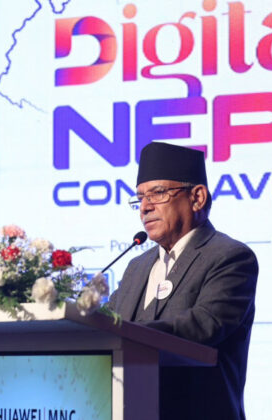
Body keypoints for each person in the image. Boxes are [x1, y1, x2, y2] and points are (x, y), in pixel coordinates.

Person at [107, 142, 258, 420]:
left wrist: (127, 335)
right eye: (139, 198)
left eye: (158, 193)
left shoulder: (230, 257)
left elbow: (204, 325)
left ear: (197, 197)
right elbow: (106, 325)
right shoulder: (136, 267)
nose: (145, 207)